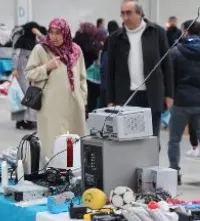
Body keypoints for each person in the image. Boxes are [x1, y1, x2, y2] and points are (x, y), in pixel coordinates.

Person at [106, 0, 173, 141]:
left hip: (152, 95)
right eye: (122, 14)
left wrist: (169, 94)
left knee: (152, 141)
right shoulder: (114, 38)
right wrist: (110, 99)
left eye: (129, 13)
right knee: (128, 142)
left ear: (140, 14)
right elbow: (110, 71)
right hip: (126, 97)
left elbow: (167, 65)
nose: (125, 18)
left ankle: (152, 163)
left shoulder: (157, 33)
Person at [167, 20, 200, 190]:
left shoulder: (175, 52)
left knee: (174, 140)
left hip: (180, 103)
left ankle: (174, 173)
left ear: (185, 32)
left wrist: (171, 95)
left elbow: (169, 77)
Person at [25, 18, 87, 163]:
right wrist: (46, 67)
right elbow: (29, 73)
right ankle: (52, 173)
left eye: (58, 33)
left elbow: (83, 77)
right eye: (51, 32)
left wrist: (82, 98)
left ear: (65, 33)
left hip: (74, 105)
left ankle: (74, 172)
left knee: (75, 142)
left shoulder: (76, 50)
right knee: (52, 142)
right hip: (51, 106)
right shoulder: (41, 49)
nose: (54, 37)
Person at [11, 22, 44, 130]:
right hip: (22, 68)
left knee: (32, 93)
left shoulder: (36, 40)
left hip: (32, 68)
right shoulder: (21, 39)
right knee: (23, 94)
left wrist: (38, 34)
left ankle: (30, 120)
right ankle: (22, 119)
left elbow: (47, 43)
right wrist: (14, 68)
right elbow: (15, 54)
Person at [74, 22, 103, 114]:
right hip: (88, 70)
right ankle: (87, 110)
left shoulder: (76, 39)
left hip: (75, 69)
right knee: (90, 92)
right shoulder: (88, 40)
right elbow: (92, 53)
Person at [99, 20, 119, 107]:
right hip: (114, 85)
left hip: (106, 85)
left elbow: (103, 67)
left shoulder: (108, 40)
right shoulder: (116, 39)